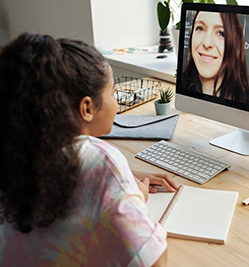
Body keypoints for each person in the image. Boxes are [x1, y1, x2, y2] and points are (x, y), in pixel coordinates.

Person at [0, 33, 178, 266]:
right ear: (87, 108)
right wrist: (136, 199)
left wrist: (123, 182)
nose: (116, 100)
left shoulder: (16, 150)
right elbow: (155, 261)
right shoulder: (100, 162)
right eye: (113, 92)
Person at [181, 11, 249, 109]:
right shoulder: (179, 90)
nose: (207, 43)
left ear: (234, 45)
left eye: (220, 33)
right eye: (200, 28)